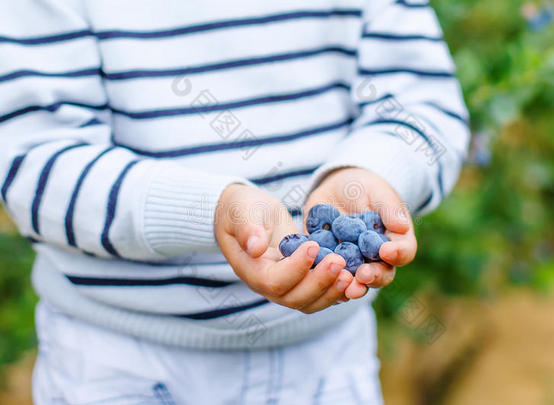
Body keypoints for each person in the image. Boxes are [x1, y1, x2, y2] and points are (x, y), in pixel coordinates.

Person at [0, 0, 470, 403]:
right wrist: (207, 210)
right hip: (121, 364)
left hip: (327, 362)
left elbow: (425, 102)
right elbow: (34, 162)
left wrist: (370, 171)